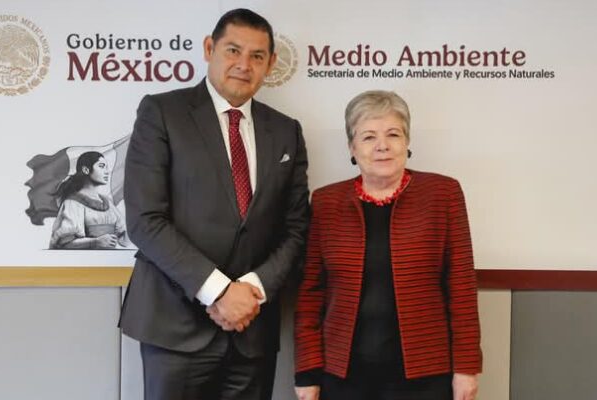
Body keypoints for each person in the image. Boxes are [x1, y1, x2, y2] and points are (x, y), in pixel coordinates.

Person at [119, 8, 309, 400]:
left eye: (257, 56)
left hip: (252, 330)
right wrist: (220, 292)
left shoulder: (286, 131)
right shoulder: (162, 113)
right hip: (175, 328)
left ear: (271, 63)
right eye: (233, 50)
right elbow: (145, 219)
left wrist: (251, 291)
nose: (244, 65)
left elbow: (296, 228)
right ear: (209, 48)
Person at [294, 91, 482, 400]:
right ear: (352, 147)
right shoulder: (327, 202)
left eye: (393, 134)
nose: (382, 145)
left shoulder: (443, 194)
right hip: (343, 377)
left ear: (407, 141)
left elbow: (461, 287)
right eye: (368, 137)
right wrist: (307, 372)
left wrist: (466, 368)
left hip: (425, 376)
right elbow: (311, 294)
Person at [49, 151, 127, 249]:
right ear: (86, 170)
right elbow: (65, 242)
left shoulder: (107, 203)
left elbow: (124, 238)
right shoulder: (73, 203)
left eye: (107, 167)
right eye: (101, 166)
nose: (107, 171)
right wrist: (95, 242)